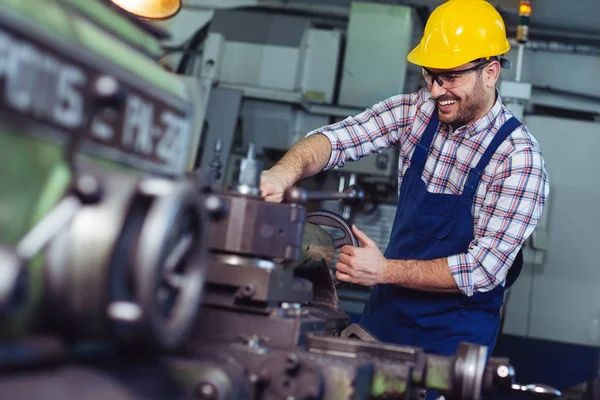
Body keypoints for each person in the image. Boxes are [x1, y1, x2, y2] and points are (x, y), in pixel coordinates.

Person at [260, 0, 549, 362]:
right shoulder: (416, 111)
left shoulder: (518, 158)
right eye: (431, 75)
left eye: (451, 77)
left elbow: (482, 269)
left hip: (452, 339)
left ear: (490, 72)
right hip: (384, 320)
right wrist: (283, 173)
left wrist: (383, 270)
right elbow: (338, 139)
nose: (436, 90)